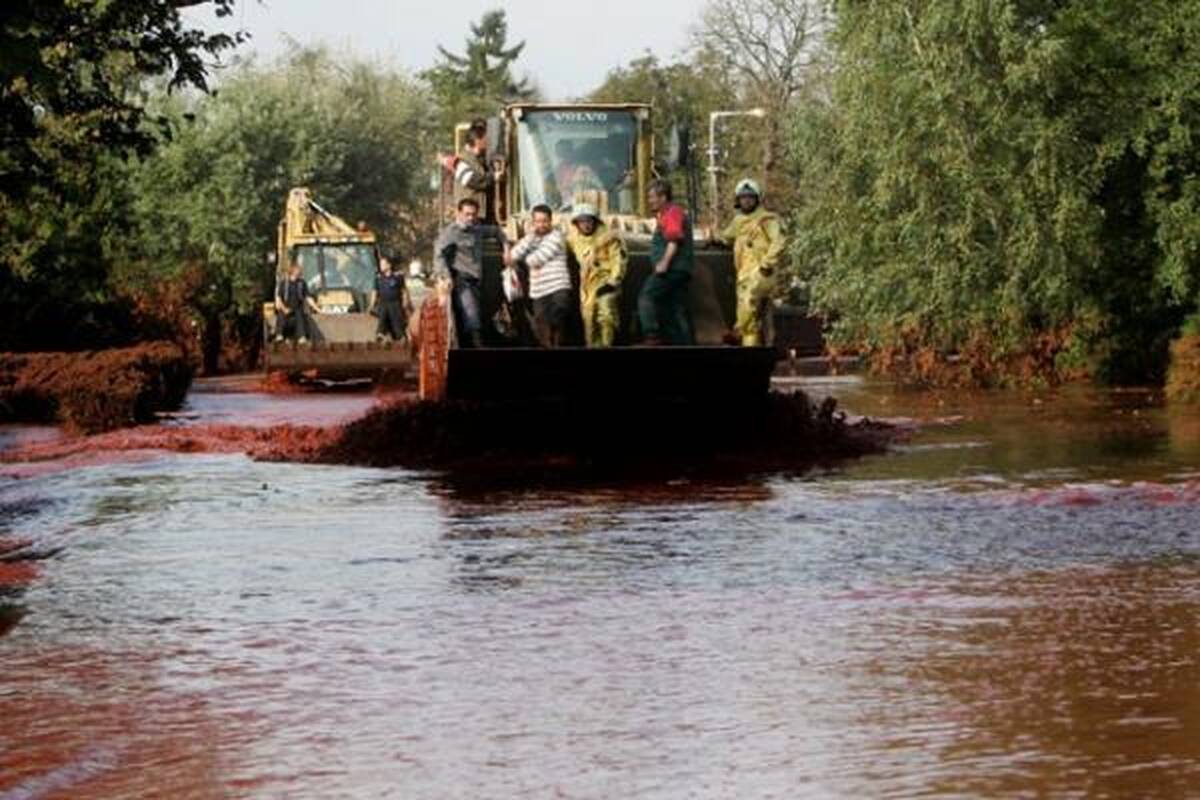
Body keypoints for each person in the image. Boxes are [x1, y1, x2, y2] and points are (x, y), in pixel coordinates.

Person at [713, 178, 786, 346]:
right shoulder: (738, 221)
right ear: (738, 200)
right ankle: (747, 347)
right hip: (743, 275)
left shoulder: (768, 220)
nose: (746, 200)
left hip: (762, 272)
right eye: (743, 197)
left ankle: (737, 331)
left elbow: (779, 241)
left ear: (757, 199)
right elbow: (726, 236)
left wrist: (767, 264)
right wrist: (714, 239)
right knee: (749, 323)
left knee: (749, 301)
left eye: (750, 197)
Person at [433, 197, 507, 348]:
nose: (470, 218)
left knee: (482, 315)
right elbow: (439, 255)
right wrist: (445, 276)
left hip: (478, 281)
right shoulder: (450, 232)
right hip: (462, 280)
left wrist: (507, 248)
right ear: (458, 213)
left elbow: (496, 231)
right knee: (471, 315)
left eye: (473, 214)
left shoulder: (477, 229)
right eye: (467, 214)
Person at [506, 204, 574, 347]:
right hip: (538, 290)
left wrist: (526, 255)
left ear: (551, 221)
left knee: (558, 316)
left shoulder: (557, 237)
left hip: (558, 286)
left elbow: (535, 260)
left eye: (545, 221)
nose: (541, 224)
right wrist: (530, 238)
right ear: (533, 222)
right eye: (538, 221)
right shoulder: (531, 237)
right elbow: (512, 256)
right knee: (541, 327)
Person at [637, 180, 695, 345]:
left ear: (663, 197)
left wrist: (664, 263)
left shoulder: (672, 212)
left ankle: (651, 336)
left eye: (652, 197)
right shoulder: (667, 215)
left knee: (646, 296)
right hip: (681, 270)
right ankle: (684, 345)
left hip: (672, 269)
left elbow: (674, 239)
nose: (649, 200)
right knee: (675, 309)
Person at [567, 203, 627, 347]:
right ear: (577, 223)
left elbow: (619, 260)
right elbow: (557, 247)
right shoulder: (573, 239)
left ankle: (607, 345)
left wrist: (612, 283)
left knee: (606, 315)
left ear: (595, 221)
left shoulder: (610, 237)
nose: (586, 224)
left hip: (606, 283)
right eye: (582, 221)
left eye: (589, 220)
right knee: (589, 320)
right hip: (587, 287)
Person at [443, 119, 504, 223]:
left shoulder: (480, 160)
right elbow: (472, 180)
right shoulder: (461, 161)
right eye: (486, 139)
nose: (488, 142)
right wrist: (494, 177)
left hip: (482, 215)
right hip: (470, 217)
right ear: (477, 141)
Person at [273, 261, 321, 344]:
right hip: (285, 307)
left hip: (297, 307)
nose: (300, 272)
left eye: (300, 270)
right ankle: (279, 335)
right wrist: (284, 309)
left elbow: (307, 297)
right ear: (293, 271)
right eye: (298, 270)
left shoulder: (302, 283)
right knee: (281, 316)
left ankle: (301, 337)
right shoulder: (284, 283)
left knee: (300, 315)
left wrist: (317, 309)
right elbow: (279, 298)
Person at [372, 257, 407, 343]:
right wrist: (372, 305)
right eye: (380, 264)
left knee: (394, 314)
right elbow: (374, 292)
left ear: (389, 265)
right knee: (384, 311)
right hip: (383, 303)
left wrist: (406, 302)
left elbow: (404, 291)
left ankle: (400, 335)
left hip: (395, 303)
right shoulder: (378, 278)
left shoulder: (397, 277)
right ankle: (380, 334)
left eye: (383, 264)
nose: (381, 266)